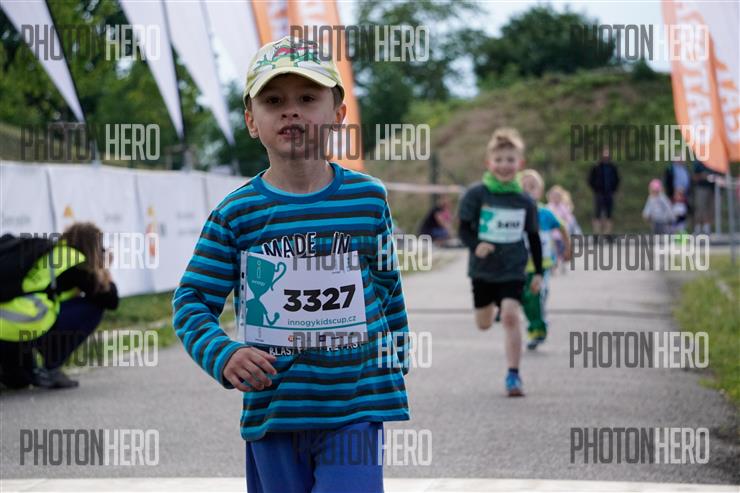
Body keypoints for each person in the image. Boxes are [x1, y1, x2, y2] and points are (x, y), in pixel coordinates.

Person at [172, 36, 409, 492]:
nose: (291, 112)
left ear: (338, 113)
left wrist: (397, 353)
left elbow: (386, 283)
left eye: (307, 98)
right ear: (251, 121)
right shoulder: (236, 214)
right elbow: (192, 301)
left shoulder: (367, 199)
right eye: (274, 101)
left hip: (356, 405)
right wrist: (224, 353)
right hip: (275, 409)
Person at [457, 127, 543, 397]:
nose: (505, 165)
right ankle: (491, 308)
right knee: (483, 323)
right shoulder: (476, 194)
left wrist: (539, 272)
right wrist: (476, 245)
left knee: (510, 317)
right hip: (483, 270)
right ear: (489, 163)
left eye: (510, 160)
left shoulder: (525, 201)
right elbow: (463, 229)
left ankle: (513, 375)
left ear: (520, 163)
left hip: (513, 268)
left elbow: (534, 237)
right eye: (499, 160)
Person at [0, 223, 119, 389]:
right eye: (100, 247)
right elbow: (110, 300)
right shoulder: (74, 262)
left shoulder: (50, 252)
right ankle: (52, 367)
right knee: (93, 308)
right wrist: (104, 269)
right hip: (22, 324)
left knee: (20, 381)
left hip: (7, 326)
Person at [520, 170, 570, 350]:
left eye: (532, 187)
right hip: (520, 265)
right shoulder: (516, 213)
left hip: (543, 265)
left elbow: (562, 227)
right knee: (525, 298)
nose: (528, 190)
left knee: (536, 295)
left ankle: (537, 330)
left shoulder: (545, 214)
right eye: (523, 187)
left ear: (540, 191)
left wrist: (568, 248)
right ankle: (537, 323)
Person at [547, 185, 580, 273]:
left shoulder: (563, 207)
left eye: (557, 196)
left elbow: (569, 219)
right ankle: (554, 265)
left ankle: (562, 263)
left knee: (562, 250)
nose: (555, 198)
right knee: (553, 251)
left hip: (561, 235)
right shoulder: (549, 207)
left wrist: (566, 223)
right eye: (554, 196)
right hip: (551, 234)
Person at [588, 147, 620, 235]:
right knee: (597, 213)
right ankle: (596, 233)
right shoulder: (596, 167)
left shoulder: (613, 167)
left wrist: (614, 190)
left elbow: (617, 180)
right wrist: (595, 189)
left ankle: (607, 233)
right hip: (599, 193)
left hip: (609, 193)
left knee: (609, 214)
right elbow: (590, 180)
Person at [692, 160, 719, 234]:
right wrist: (703, 176)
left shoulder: (714, 161)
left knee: (711, 208)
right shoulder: (699, 162)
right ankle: (697, 228)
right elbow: (694, 176)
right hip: (701, 188)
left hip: (713, 188)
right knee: (700, 207)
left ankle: (707, 228)